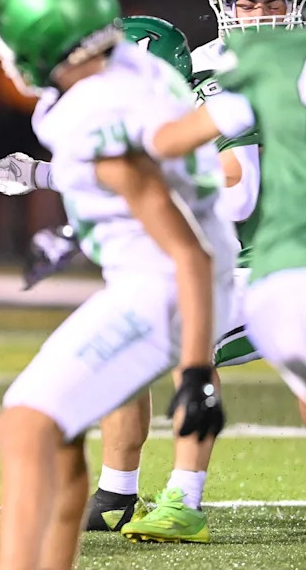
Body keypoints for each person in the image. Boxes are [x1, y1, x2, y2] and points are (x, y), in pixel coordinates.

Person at [0, 0, 232, 570]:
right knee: (58, 434)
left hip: (166, 288)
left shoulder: (96, 110)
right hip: (164, 274)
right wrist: (78, 229)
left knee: (23, 428)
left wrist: (198, 370)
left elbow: (186, 250)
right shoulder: (132, 66)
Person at [146, 25, 306, 440]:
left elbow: (238, 192)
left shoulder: (219, 89)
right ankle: (157, 490)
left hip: (272, 262)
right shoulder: (205, 83)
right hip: (250, 261)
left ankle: (176, 489)